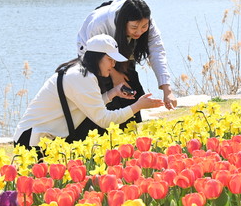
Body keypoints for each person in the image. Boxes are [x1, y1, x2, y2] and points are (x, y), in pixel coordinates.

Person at [14, 35, 164, 150]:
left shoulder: (81, 72)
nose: (113, 64)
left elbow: (90, 106)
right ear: (97, 57)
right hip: (32, 141)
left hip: (39, 138)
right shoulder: (81, 77)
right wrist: (137, 106)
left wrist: (113, 93)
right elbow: (104, 119)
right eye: (110, 59)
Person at [77, 0, 177, 125]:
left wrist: (167, 90)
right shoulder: (99, 24)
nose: (139, 32)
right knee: (108, 99)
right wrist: (114, 75)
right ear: (123, 22)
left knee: (133, 93)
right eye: (134, 27)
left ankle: (132, 137)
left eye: (144, 26)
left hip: (123, 55)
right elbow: (92, 55)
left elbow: (157, 53)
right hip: (95, 58)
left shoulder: (146, 23)